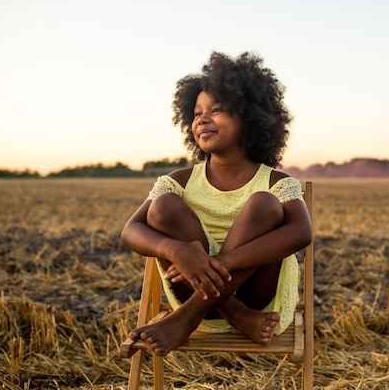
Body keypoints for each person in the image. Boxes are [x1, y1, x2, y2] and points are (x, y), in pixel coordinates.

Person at [121, 51, 312, 357]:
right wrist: (178, 252)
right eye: (197, 113)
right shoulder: (179, 180)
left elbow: (302, 233)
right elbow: (130, 231)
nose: (203, 119)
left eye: (217, 109)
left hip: (259, 298)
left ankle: (185, 319)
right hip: (192, 289)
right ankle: (233, 313)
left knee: (263, 204)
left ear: (250, 117)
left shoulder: (275, 183)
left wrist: (219, 264)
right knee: (163, 206)